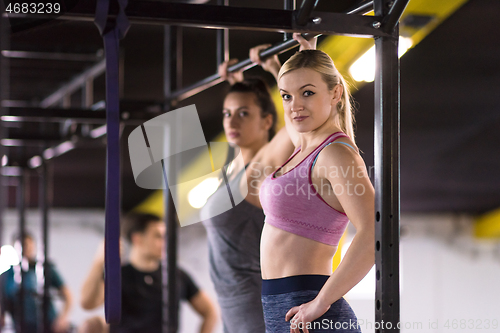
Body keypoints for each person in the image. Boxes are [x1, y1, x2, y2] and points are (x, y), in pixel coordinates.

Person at [240, 47, 375, 332]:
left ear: (336, 94)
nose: (295, 105)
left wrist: (321, 302)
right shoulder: (304, 145)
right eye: (287, 95)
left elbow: (374, 232)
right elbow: (293, 112)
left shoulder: (336, 154)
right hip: (281, 307)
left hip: (311, 308)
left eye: (308, 93)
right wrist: (283, 64)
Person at [199, 35, 317, 333]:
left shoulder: (263, 166)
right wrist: (238, 84)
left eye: (243, 114)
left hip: (254, 307)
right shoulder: (233, 168)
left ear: (267, 121)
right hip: (231, 308)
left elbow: (301, 118)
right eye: (227, 113)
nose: (231, 122)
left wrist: (292, 63)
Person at [79, 212, 218, 333]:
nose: (164, 242)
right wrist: (98, 262)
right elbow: (87, 303)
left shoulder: (176, 275)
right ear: (137, 238)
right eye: (158, 236)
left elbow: (210, 312)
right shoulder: (118, 276)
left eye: (164, 236)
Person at [0, 232, 73, 333]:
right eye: (22, 245)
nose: (26, 249)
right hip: (21, 328)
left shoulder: (45, 269)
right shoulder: (6, 276)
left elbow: (68, 295)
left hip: (48, 326)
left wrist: (62, 318)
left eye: (28, 245)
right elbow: (3, 304)